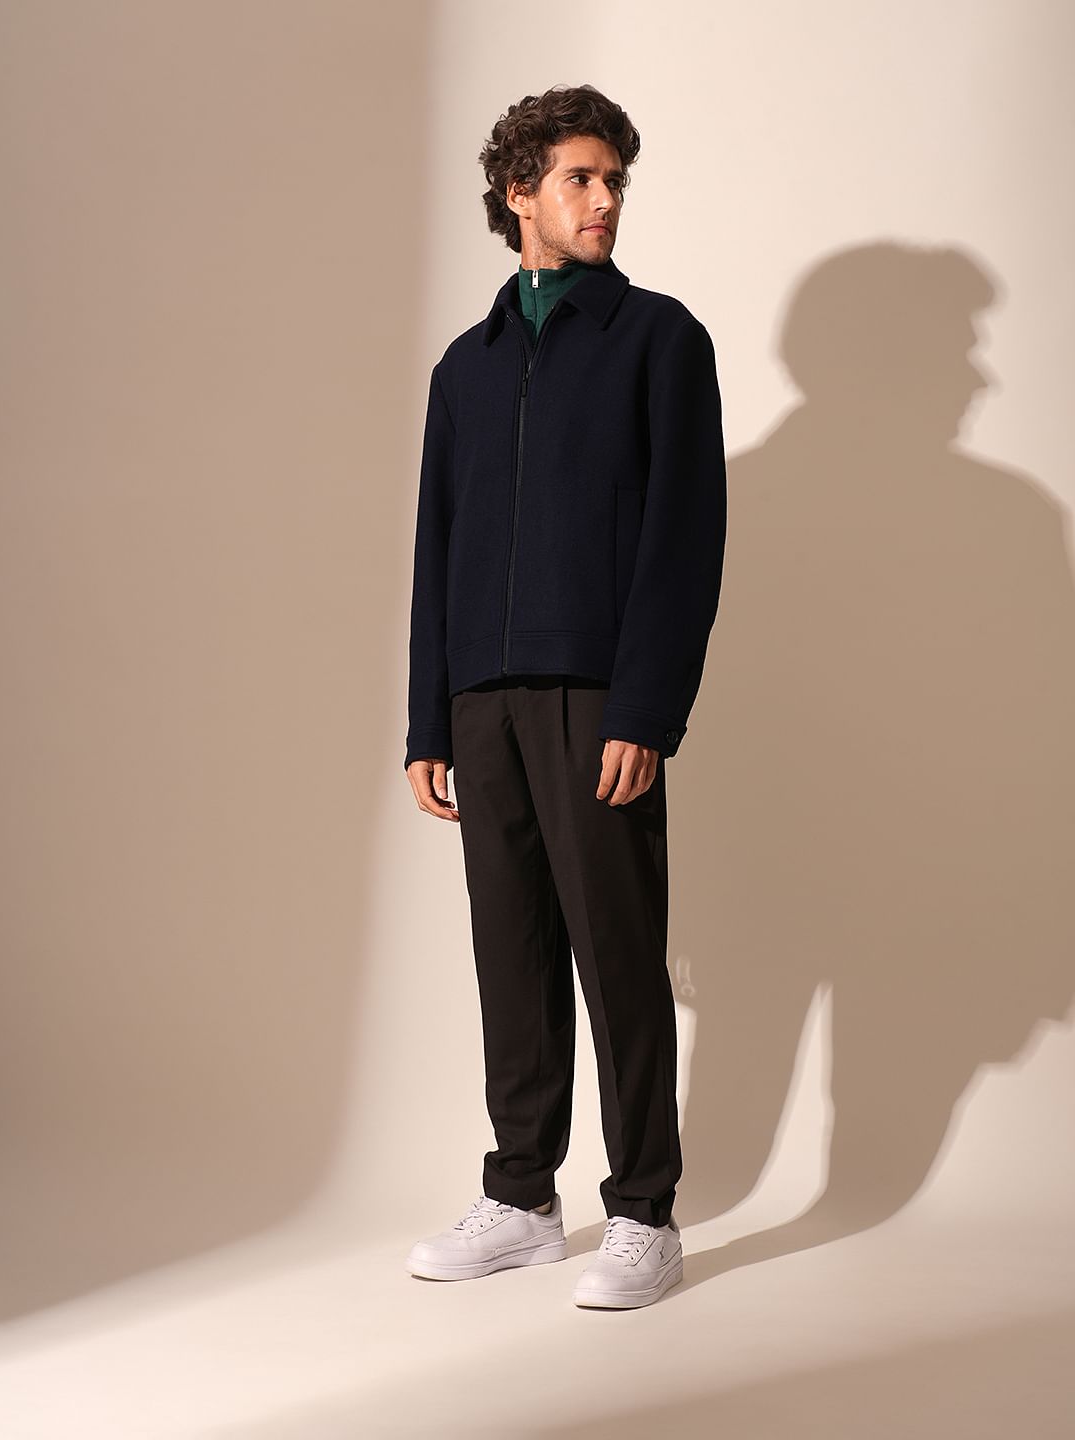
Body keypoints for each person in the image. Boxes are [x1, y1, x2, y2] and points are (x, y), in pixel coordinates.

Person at [402, 83, 727, 1309]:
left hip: (598, 695)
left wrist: (647, 707)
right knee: (512, 951)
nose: (605, 201)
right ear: (519, 193)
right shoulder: (465, 367)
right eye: (581, 179)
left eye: (614, 181)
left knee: (618, 954)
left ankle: (644, 1211)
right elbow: (437, 547)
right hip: (480, 699)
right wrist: (429, 718)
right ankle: (522, 1198)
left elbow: (685, 540)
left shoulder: (658, 340)